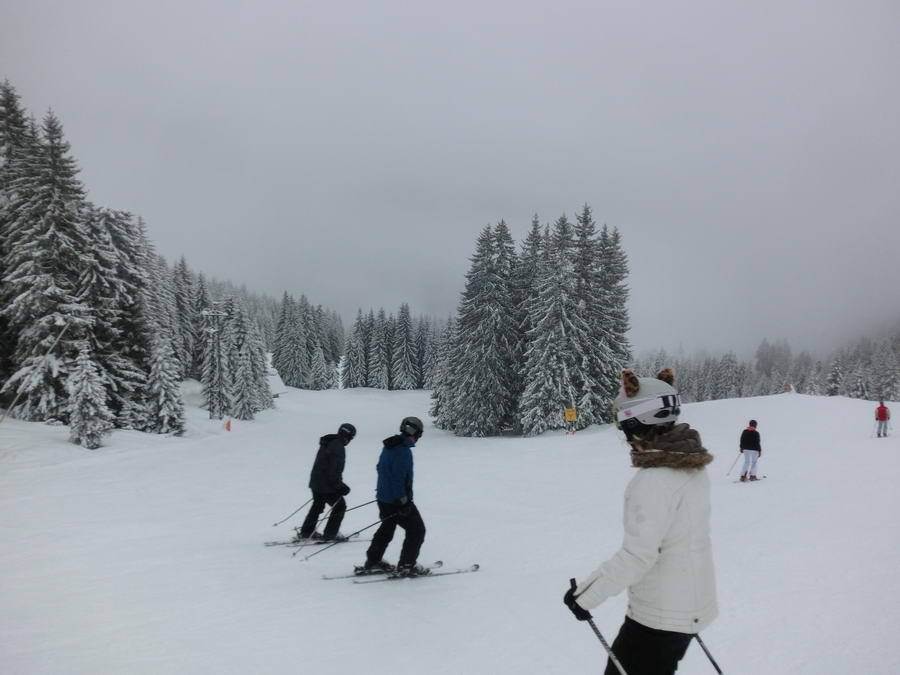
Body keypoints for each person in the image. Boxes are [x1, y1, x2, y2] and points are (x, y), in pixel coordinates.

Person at [564, 369, 718, 675]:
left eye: (624, 426)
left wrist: (584, 597)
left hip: (659, 618)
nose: (624, 437)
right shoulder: (691, 467)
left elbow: (638, 555)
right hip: (687, 606)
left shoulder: (654, 480)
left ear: (637, 422)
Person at [361, 416, 428, 576]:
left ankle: (373, 560)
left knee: (387, 528)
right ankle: (407, 564)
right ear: (414, 432)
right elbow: (398, 478)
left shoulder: (390, 446)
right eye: (419, 434)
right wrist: (403, 501)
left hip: (384, 498)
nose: (418, 438)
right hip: (397, 501)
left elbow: (380, 468)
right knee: (417, 530)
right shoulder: (402, 451)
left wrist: (385, 491)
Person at [295, 422, 356, 542]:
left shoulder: (328, 442)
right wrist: (341, 487)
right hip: (326, 485)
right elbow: (334, 472)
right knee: (340, 506)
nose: (351, 441)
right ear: (348, 437)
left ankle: (306, 532)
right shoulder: (338, 447)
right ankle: (330, 534)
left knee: (317, 505)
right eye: (351, 438)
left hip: (316, 482)